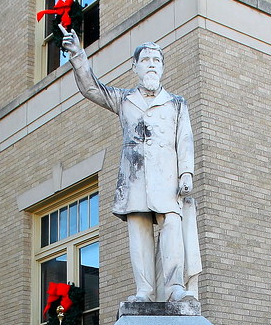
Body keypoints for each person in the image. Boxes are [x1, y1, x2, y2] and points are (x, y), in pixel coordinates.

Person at [60, 26, 201, 302]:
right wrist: (78, 57)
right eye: (146, 60)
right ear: (134, 66)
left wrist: (186, 172)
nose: (151, 65)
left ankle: (175, 287)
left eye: (156, 61)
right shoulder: (124, 99)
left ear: (162, 68)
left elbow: (185, 139)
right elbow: (91, 88)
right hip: (135, 178)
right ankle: (144, 291)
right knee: (139, 232)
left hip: (168, 178)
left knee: (172, 226)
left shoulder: (176, 103)